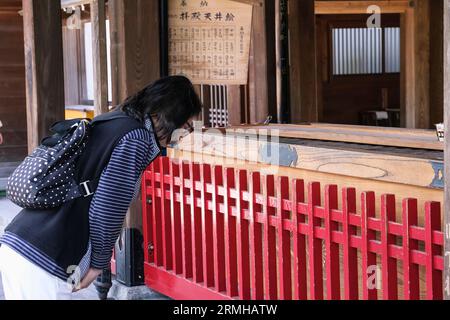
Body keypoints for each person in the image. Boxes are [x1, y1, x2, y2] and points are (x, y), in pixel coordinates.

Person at [0, 76, 202, 300]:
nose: (186, 134)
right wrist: (98, 264)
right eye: (187, 126)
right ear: (170, 117)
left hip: (24, 245)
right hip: (43, 260)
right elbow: (107, 207)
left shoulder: (114, 120)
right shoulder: (136, 137)